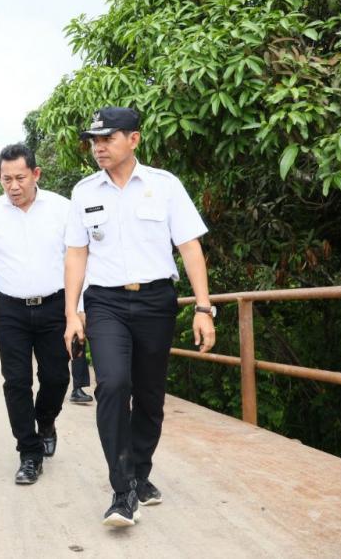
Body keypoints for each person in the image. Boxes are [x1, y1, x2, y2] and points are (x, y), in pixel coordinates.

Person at [63, 106, 216, 528]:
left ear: (134, 139)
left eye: (107, 138)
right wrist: (71, 314)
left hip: (155, 302)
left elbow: (189, 247)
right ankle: (122, 489)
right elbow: (77, 253)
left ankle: (140, 472)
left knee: (149, 395)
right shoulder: (84, 192)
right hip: (105, 302)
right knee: (112, 384)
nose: (98, 147)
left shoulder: (164, 187)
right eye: (94, 140)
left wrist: (203, 308)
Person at [0, 143, 71, 485]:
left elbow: (80, 261)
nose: (13, 186)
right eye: (5, 179)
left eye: (20, 178)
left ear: (36, 174)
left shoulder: (63, 209)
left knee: (57, 378)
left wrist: (78, 312)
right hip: (9, 309)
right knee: (16, 381)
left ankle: (46, 420)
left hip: (55, 306)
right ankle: (29, 453)